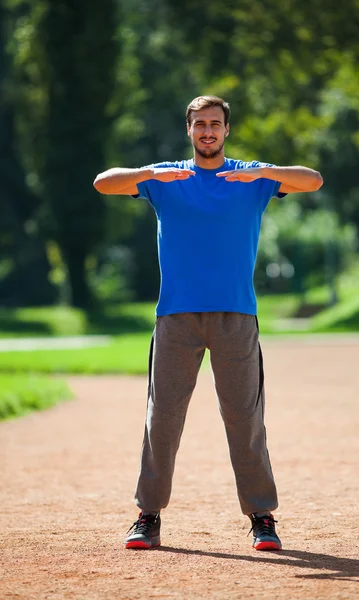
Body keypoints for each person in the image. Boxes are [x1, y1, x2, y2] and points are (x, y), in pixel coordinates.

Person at [94, 95, 323, 552]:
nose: (208, 132)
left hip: (236, 314)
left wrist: (267, 172)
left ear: (226, 130)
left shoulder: (252, 176)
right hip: (175, 316)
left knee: (244, 418)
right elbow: (103, 183)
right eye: (200, 124)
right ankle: (148, 516)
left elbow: (313, 180)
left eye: (215, 124)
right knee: (163, 417)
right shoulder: (166, 177)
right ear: (189, 129)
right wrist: (146, 175)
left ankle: (262, 517)